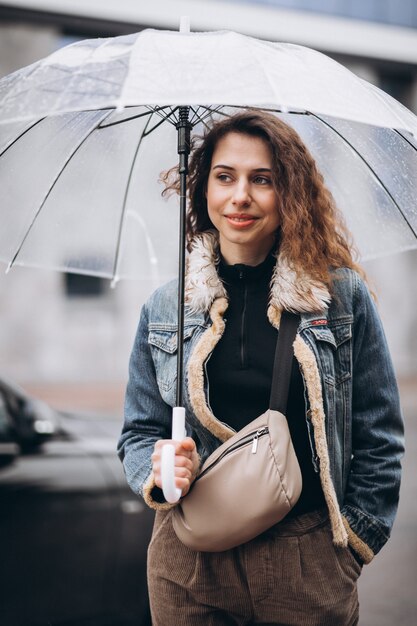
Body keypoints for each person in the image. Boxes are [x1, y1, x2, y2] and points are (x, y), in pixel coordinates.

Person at [118, 110, 404, 626]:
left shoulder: (338, 299)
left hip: (305, 563)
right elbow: (138, 432)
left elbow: (379, 433)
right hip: (190, 563)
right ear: (204, 189)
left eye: (262, 180)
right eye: (224, 177)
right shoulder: (166, 308)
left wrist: (351, 547)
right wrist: (158, 469)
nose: (240, 196)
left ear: (288, 192)